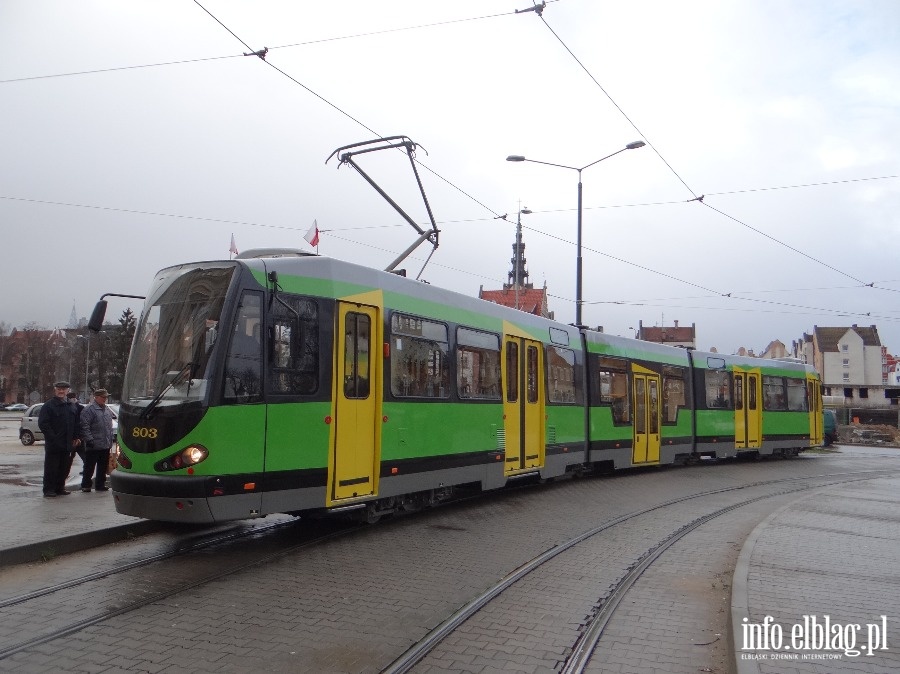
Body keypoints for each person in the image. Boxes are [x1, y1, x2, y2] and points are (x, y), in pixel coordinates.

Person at [38, 381, 82, 497]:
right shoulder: (48, 406)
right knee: (51, 468)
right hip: (54, 444)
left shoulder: (71, 406)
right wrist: (53, 437)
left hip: (67, 443)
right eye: (59, 389)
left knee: (64, 467)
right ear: (55, 390)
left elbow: (76, 423)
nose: (61, 391)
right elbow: (43, 424)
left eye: (64, 389)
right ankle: (49, 490)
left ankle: (59, 488)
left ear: (68, 390)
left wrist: (76, 436)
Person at [79, 388, 116, 493]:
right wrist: (89, 439)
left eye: (106, 397)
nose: (105, 399)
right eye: (103, 397)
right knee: (89, 466)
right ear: (96, 397)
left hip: (105, 443)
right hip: (93, 444)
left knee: (102, 466)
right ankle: (86, 485)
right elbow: (84, 426)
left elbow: (109, 426)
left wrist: (110, 439)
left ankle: (100, 484)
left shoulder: (107, 410)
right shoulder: (89, 410)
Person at [67, 391, 85, 473]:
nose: (73, 399)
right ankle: (65, 473)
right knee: (69, 459)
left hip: (78, 437)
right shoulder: (67, 408)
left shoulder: (80, 408)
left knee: (84, 456)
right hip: (72, 437)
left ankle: (86, 471)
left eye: (74, 397)